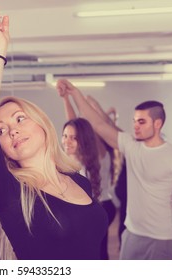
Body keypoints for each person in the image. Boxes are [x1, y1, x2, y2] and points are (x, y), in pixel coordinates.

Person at [0, 7, 108, 260]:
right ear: (1, 146)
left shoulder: (79, 181)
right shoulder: (10, 192)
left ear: (42, 125)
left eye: (19, 118)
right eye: (1, 130)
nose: (12, 130)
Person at [57, 79, 172, 260]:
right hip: (132, 234)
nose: (135, 126)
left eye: (141, 122)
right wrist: (74, 93)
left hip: (163, 237)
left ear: (157, 124)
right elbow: (98, 124)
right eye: (134, 121)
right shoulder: (131, 146)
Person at [56, 86, 117, 259]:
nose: (68, 141)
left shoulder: (98, 152)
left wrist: (83, 101)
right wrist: (65, 99)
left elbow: (78, 124)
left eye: (74, 138)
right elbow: (72, 124)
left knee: (96, 252)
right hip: (90, 208)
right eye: (65, 136)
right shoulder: (72, 155)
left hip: (102, 207)